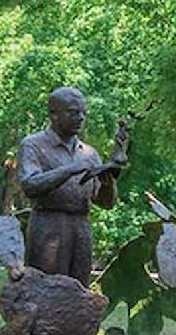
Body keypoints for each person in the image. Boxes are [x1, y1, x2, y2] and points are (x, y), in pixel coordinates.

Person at [17, 87, 129, 286]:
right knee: (46, 291)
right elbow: (30, 184)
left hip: (80, 228)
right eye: (73, 112)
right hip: (48, 226)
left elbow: (105, 203)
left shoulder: (89, 153)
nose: (81, 117)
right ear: (53, 114)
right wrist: (70, 169)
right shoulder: (33, 145)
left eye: (83, 113)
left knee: (79, 290)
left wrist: (108, 182)